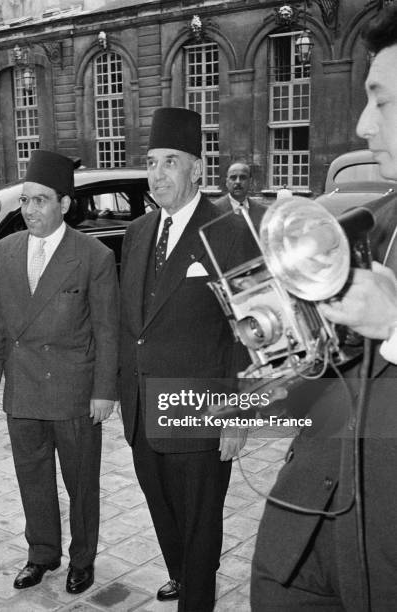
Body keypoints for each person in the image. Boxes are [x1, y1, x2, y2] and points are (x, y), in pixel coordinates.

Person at [251, 6, 397, 610]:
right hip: (308, 532)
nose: (363, 124)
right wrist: (286, 346)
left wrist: (393, 323)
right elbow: (326, 372)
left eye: (382, 102)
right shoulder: (372, 223)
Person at [118, 107, 250, 612]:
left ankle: (197, 598)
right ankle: (183, 576)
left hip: (200, 410)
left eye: (170, 162)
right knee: (165, 515)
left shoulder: (229, 231)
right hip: (142, 410)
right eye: (151, 162)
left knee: (200, 527)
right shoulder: (136, 234)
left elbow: (251, 329)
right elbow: (134, 324)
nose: (157, 174)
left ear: (197, 168)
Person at [0, 149, 118, 595]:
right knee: (32, 477)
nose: (30, 209)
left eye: (40, 200)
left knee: (81, 483)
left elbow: (107, 330)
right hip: (23, 387)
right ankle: (41, 553)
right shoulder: (5, 251)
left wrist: (104, 391)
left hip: (73, 390)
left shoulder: (93, 255)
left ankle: (82, 559)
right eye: (25, 200)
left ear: (64, 204)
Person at [213, 161, 267, 229]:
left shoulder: (263, 211)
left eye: (243, 177)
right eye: (233, 178)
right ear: (227, 182)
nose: (238, 182)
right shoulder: (213, 210)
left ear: (250, 182)